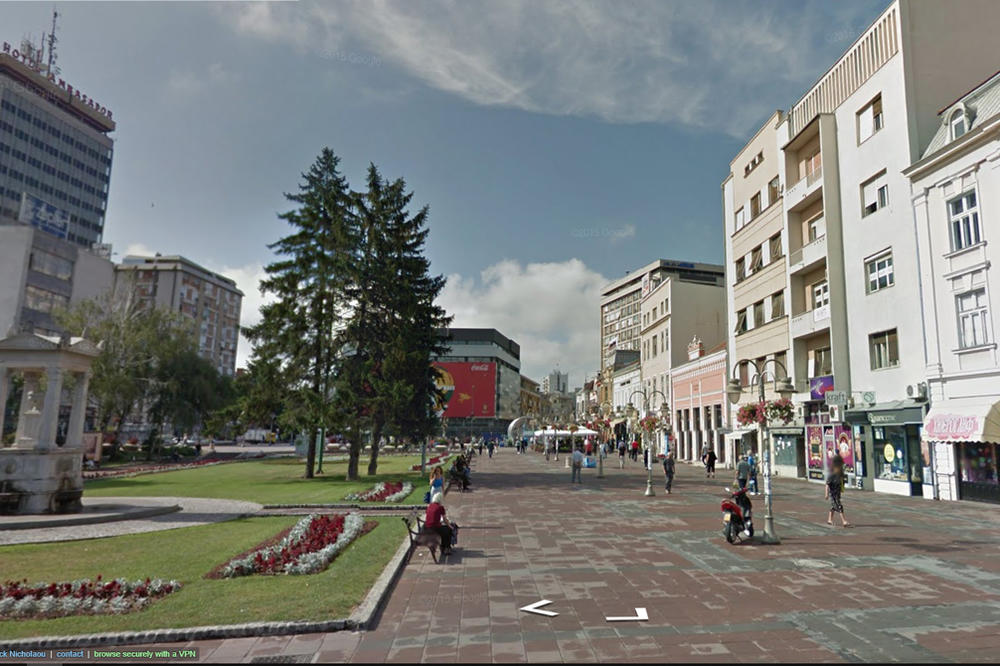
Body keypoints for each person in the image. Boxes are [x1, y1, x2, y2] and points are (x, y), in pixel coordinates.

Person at [826, 461, 851, 527]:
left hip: (837, 493)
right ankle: (844, 521)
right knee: (839, 506)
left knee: (833, 506)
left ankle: (829, 520)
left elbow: (842, 483)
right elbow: (827, 485)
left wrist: (842, 488)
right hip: (833, 494)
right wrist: (826, 494)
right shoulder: (831, 475)